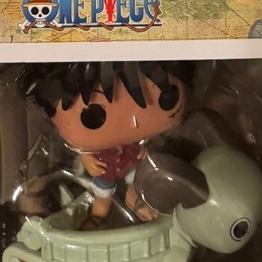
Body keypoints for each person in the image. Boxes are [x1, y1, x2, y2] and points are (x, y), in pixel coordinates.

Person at [19, 60, 193, 221]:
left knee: (139, 183)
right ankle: (98, 220)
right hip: (105, 167)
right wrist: (85, 156)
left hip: (129, 159)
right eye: (93, 116)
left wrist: (144, 148)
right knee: (103, 201)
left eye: (164, 98)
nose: (133, 124)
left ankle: (140, 203)